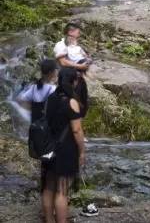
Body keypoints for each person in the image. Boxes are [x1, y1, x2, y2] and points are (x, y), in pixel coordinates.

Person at [41, 67, 86, 223]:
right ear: (73, 82)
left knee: (48, 187)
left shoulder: (51, 97)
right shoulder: (72, 102)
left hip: (49, 148)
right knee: (62, 191)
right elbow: (76, 130)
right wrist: (81, 152)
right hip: (65, 150)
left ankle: (48, 220)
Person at [54, 23, 91, 117]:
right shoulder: (61, 45)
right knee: (73, 104)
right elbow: (63, 62)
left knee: (84, 103)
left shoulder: (75, 45)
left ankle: (79, 123)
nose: (79, 34)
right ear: (70, 32)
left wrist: (87, 60)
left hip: (78, 79)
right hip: (68, 82)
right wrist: (80, 67)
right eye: (77, 32)